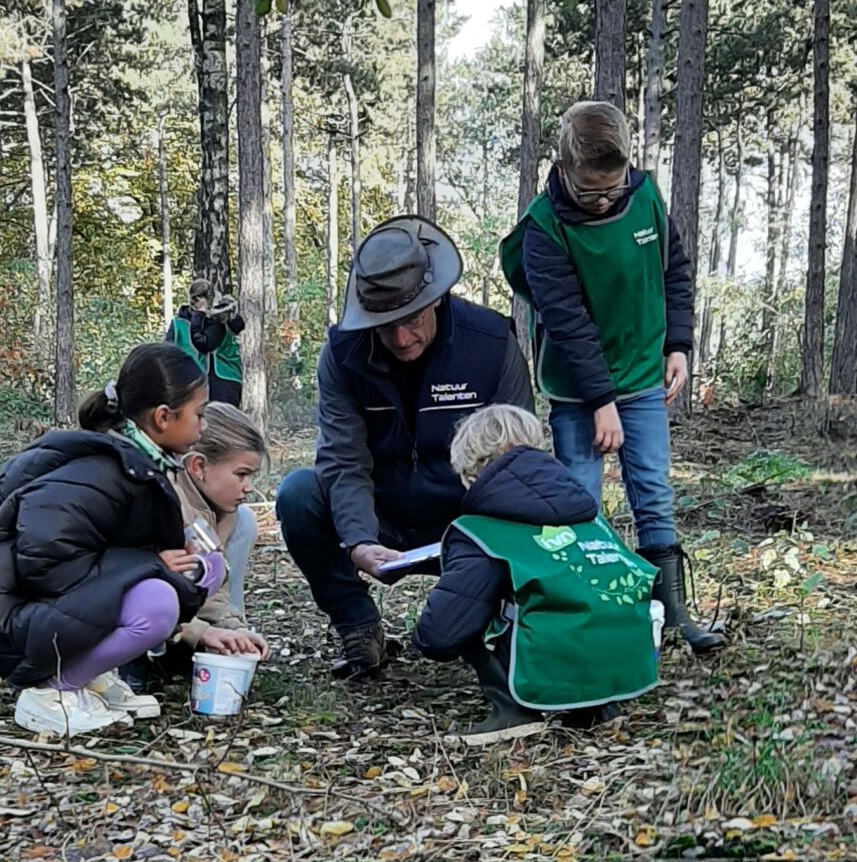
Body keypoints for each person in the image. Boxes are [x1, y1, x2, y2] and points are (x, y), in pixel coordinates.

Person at [500, 100, 723, 653]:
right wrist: (601, 401)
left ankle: (671, 620)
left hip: (644, 373)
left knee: (652, 490)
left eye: (612, 186)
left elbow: (673, 270)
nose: (604, 198)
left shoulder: (644, 196)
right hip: (578, 390)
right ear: (564, 169)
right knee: (579, 499)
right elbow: (567, 321)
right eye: (590, 190)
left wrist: (677, 343)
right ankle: (591, 621)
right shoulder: (544, 229)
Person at [276, 216, 531, 681]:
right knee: (298, 494)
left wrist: (476, 534)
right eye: (383, 325)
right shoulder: (342, 354)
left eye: (411, 320)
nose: (399, 339)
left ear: (436, 299)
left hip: (467, 519)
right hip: (382, 513)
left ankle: (498, 631)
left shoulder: (492, 344)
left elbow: (521, 463)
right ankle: (357, 624)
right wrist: (359, 540)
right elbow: (342, 458)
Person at [0, 343, 217, 739]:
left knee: (197, 573)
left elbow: (103, 556)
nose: (203, 427)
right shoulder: (102, 472)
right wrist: (151, 564)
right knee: (156, 604)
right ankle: (51, 693)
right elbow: (44, 561)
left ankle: (93, 677)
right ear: (163, 417)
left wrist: (161, 558)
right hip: (17, 624)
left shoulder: (139, 465)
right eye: (199, 415)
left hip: (52, 614)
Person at [414, 404, 659, 743]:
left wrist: (421, 635)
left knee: (472, 610)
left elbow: (441, 635)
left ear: (470, 475)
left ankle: (513, 712)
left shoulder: (478, 531)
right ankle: (596, 706)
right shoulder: (589, 513)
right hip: (628, 661)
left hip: (550, 656)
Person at [172, 403, 268, 663]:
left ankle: (230, 639)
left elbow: (214, 588)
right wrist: (200, 632)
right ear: (199, 467)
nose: (248, 487)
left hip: (195, 616)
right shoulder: (172, 508)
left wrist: (236, 629)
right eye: (241, 475)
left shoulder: (222, 511)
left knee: (244, 520)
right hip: (160, 626)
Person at [167, 277, 245, 407]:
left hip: (224, 379)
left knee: (222, 422)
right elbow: (166, 356)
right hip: (192, 381)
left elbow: (238, 326)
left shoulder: (222, 316)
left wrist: (225, 311)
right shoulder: (178, 324)